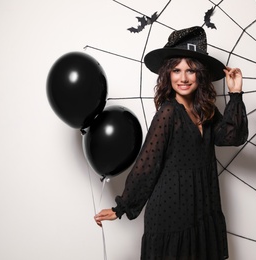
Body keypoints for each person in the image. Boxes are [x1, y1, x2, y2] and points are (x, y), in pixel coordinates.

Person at [94, 26, 248, 260]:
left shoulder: (205, 110)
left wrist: (235, 93)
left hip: (202, 207)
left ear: (201, 75)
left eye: (191, 70)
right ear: (168, 74)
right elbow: (148, 164)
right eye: (176, 70)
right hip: (171, 212)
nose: (183, 78)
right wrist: (122, 207)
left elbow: (232, 137)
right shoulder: (168, 113)